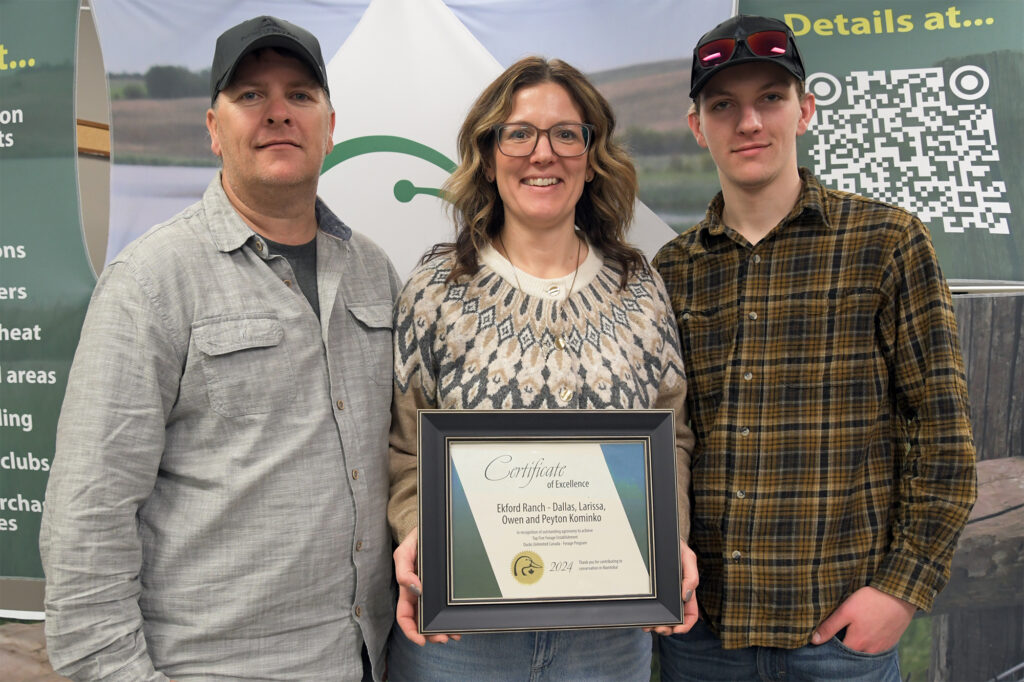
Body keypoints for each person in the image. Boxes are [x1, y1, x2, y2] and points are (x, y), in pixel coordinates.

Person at [39, 16, 399, 681]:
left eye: (299, 94)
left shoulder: (374, 271)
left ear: (330, 124)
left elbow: (405, 454)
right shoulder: (151, 280)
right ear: (213, 127)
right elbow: (87, 516)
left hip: (364, 660)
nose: (278, 113)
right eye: (250, 95)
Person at [653, 14, 977, 682]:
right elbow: (662, 440)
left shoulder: (885, 242)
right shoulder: (671, 270)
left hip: (836, 637)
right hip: (703, 637)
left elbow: (942, 437)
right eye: (724, 105)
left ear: (805, 110)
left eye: (770, 98)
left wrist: (900, 591)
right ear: (697, 127)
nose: (749, 122)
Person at [386, 56, 699, 680]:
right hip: (463, 639)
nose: (542, 153)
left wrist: (669, 540)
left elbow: (674, 439)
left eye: (566, 133)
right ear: (489, 152)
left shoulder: (641, 288)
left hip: (608, 638)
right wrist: (416, 532)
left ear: (592, 156)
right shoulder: (436, 287)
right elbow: (406, 448)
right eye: (519, 132)